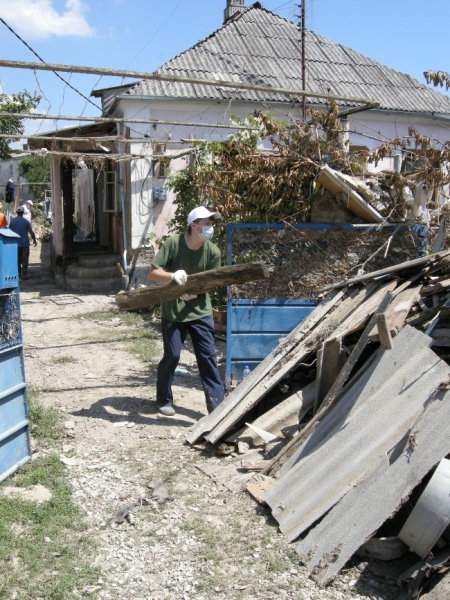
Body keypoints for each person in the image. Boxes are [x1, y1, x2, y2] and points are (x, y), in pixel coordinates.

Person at [148, 205, 225, 417]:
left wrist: (196, 291)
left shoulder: (213, 252)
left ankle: (218, 408)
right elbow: (153, 273)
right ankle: (163, 399)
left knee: (207, 358)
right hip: (173, 311)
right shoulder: (173, 244)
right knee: (172, 355)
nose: (211, 226)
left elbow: (212, 282)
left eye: (212, 222)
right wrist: (172, 277)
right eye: (206, 222)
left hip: (200, 311)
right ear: (193, 225)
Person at [9, 206, 37, 280]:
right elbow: (31, 232)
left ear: (16, 212)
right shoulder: (26, 222)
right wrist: (34, 240)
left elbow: (9, 232)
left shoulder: (12, 222)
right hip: (24, 244)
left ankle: (18, 274)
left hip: (15, 244)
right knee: (24, 259)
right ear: (23, 212)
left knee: (17, 259)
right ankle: (24, 275)